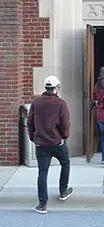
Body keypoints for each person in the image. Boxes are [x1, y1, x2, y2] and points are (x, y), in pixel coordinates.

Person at [27, 75, 73, 214]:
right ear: (56, 88)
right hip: (57, 142)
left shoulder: (36, 102)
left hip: (41, 144)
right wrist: (64, 136)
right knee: (65, 163)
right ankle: (63, 190)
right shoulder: (60, 103)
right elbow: (65, 123)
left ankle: (42, 204)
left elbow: (30, 122)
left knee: (42, 172)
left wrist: (33, 137)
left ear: (46, 88)